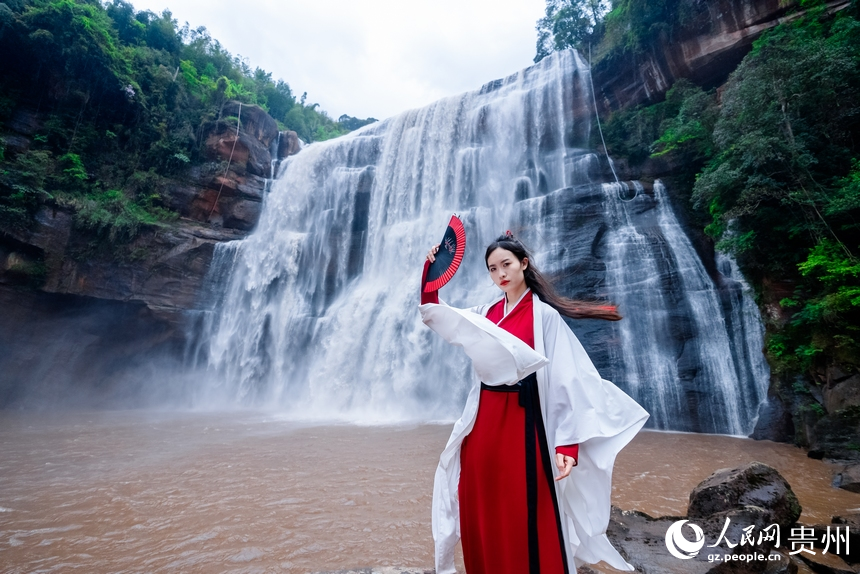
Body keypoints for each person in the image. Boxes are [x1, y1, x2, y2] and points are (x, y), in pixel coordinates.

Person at [419, 232, 649, 574]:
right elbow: (436, 315)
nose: (501, 274)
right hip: (484, 422)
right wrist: (431, 272)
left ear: (524, 264)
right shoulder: (486, 312)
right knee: (478, 499)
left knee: (524, 506)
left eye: (507, 264)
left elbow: (569, 379)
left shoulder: (545, 317)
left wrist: (568, 444)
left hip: (525, 424)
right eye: (493, 269)